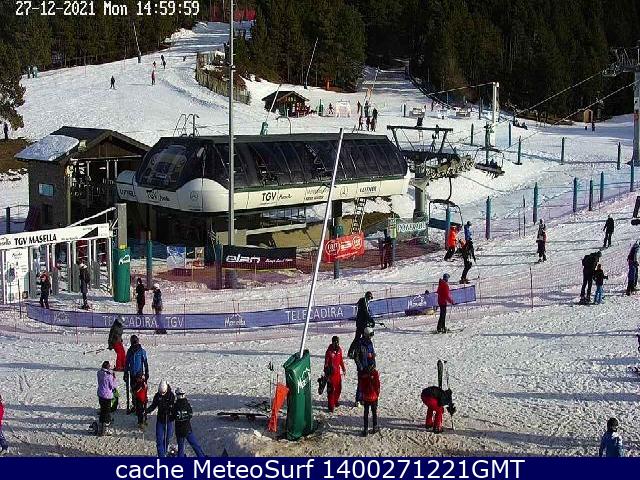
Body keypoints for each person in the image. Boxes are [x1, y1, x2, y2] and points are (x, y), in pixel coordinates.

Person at [124, 335, 150, 426]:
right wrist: (125, 373)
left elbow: (145, 362)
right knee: (133, 391)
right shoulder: (130, 351)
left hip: (139, 375)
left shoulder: (141, 351)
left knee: (140, 392)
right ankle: (135, 406)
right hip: (132, 374)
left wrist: (146, 372)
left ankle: (141, 408)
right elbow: (127, 363)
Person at [147, 380, 176, 457]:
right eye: (160, 392)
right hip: (160, 420)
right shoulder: (157, 396)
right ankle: (161, 456)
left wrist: (170, 410)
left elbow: (174, 408)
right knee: (159, 439)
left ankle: (165, 451)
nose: (162, 394)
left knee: (167, 438)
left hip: (168, 420)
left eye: (163, 392)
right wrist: (147, 411)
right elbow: (153, 405)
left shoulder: (171, 396)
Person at [173, 388, 205, 457]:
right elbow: (190, 415)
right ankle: (202, 457)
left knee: (181, 448)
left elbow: (173, 417)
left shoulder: (175, 406)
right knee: (195, 445)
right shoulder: (187, 404)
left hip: (179, 431)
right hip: (187, 429)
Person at [354, 327, 376, 406]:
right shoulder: (359, 343)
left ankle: (364, 398)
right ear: (366, 335)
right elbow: (356, 357)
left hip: (369, 367)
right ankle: (358, 399)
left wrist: (373, 364)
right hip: (362, 368)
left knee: (368, 383)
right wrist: (361, 367)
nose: (371, 337)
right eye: (370, 335)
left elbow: (372, 354)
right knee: (361, 384)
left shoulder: (370, 343)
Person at [348, 292, 374, 358]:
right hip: (360, 324)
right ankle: (351, 352)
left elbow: (366, 313)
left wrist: (369, 320)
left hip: (363, 323)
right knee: (359, 338)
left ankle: (364, 352)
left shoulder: (365, 302)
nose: (370, 299)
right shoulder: (363, 302)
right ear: (367, 296)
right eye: (369, 297)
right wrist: (371, 320)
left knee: (364, 338)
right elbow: (365, 313)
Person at [324, 336, 346, 412]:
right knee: (331, 391)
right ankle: (331, 405)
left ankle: (335, 400)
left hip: (337, 374)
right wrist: (326, 372)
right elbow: (326, 363)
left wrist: (343, 369)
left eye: (337, 342)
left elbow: (341, 360)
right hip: (331, 375)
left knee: (338, 389)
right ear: (332, 342)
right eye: (334, 342)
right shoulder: (329, 352)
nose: (336, 344)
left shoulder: (339, 350)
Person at [96, 361, 118, 436]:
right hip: (107, 396)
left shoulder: (99, 373)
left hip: (100, 394)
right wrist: (114, 378)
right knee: (107, 412)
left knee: (102, 410)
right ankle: (105, 428)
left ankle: (101, 427)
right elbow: (113, 386)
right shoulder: (109, 376)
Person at [359, 365, 380, 436]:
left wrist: (362, 397)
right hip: (373, 397)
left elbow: (361, 387)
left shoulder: (363, 375)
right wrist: (377, 395)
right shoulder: (375, 374)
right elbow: (377, 385)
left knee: (366, 413)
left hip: (366, 397)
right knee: (374, 413)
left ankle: (365, 430)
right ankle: (375, 427)